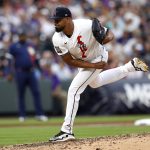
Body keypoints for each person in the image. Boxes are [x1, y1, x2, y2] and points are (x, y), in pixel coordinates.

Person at [49, 6, 149, 142]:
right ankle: (130, 67)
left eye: (58, 20)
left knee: (73, 90)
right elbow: (69, 61)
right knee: (95, 83)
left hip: (98, 57)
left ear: (68, 19)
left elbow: (110, 33)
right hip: (88, 62)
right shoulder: (57, 38)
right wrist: (93, 66)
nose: (55, 22)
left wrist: (105, 39)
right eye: (54, 20)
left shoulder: (85, 25)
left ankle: (67, 130)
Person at [9, 30, 48, 122]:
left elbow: (36, 59)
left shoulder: (31, 45)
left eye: (24, 35)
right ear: (18, 37)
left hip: (31, 72)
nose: (22, 37)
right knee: (21, 94)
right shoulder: (14, 46)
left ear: (26, 36)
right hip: (20, 72)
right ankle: (22, 115)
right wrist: (10, 73)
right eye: (21, 36)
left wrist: (41, 71)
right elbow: (10, 61)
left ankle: (40, 114)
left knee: (36, 93)